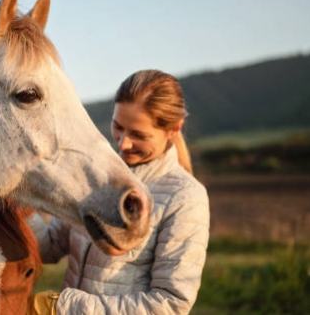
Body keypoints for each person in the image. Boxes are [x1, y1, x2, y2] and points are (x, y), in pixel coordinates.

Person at [27, 69, 210, 315]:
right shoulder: (95, 178)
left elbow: (171, 304)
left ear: (174, 129)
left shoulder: (185, 198)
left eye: (138, 135)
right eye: (118, 127)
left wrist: (62, 307)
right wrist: (17, 201)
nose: (123, 143)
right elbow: (49, 247)